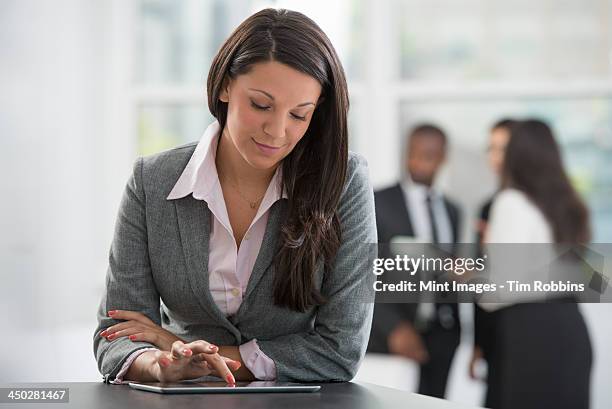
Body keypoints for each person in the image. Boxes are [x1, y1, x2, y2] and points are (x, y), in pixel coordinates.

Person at [93, 8, 376, 386]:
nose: (277, 131)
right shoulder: (153, 182)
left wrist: (187, 347)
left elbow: (340, 351)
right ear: (225, 87)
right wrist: (160, 362)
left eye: (299, 115)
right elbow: (119, 331)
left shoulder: (344, 183)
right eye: (261, 105)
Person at [476, 119, 592, 409]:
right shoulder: (567, 205)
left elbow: (496, 292)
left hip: (531, 338)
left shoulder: (511, 201)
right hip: (571, 330)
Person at [367, 124, 461, 398]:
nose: (419, 160)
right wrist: (393, 327)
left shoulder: (453, 211)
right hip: (393, 334)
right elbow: (362, 273)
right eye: (414, 152)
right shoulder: (377, 202)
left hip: (443, 333)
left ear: (443, 157)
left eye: (429, 154)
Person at [469, 118, 515, 390]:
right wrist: (479, 344)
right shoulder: (489, 207)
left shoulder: (544, 205)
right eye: (492, 148)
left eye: (504, 148)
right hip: (497, 331)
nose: (496, 157)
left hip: (531, 329)